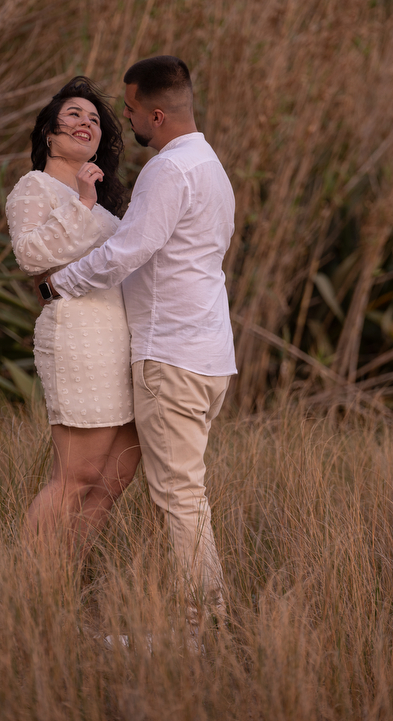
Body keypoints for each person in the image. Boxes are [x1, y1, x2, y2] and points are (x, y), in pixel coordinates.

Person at [40, 56, 237, 621]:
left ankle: (204, 623)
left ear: (156, 114)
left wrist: (59, 284)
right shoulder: (211, 167)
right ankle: (192, 617)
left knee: (179, 496)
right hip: (208, 355)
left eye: (128, 109)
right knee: (181, 492)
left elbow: (130, 249)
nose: (123, 118)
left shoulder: (167, 170)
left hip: (171, 355)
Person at [5, 76, 141, 545]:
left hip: (121, 340)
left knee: (113, 479)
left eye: (95, 119)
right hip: (79, 338)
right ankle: (21, 580)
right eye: (74, 114)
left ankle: (62, 577)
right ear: (49, 133)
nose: (87, 122)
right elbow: (30, 256)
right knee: (76, 476)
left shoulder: (103, 206)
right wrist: (82, 201)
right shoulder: (35, 187)